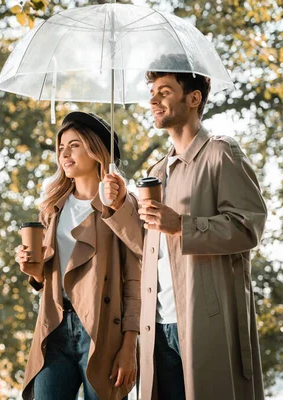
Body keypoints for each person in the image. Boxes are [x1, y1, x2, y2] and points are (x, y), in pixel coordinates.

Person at [102, 54, 267, 400]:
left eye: (164, 91)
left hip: (204, 324)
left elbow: (249, 226)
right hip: (158, 325)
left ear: (193, 98)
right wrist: (119, 205)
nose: (153, 100)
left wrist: (183, 226)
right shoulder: (158, 171)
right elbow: (147, 245)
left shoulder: (221, 154)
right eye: (152, 91)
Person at [16, 111, 142, 400]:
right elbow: (47, 277)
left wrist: (129, 345)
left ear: (96, 149)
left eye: (73, 145)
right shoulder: (53, 207)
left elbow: (134, 278)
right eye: (61, 148)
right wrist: (32, 270)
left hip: (102, 332)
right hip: (55, 327)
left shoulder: (120, 203)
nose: (64, 153)